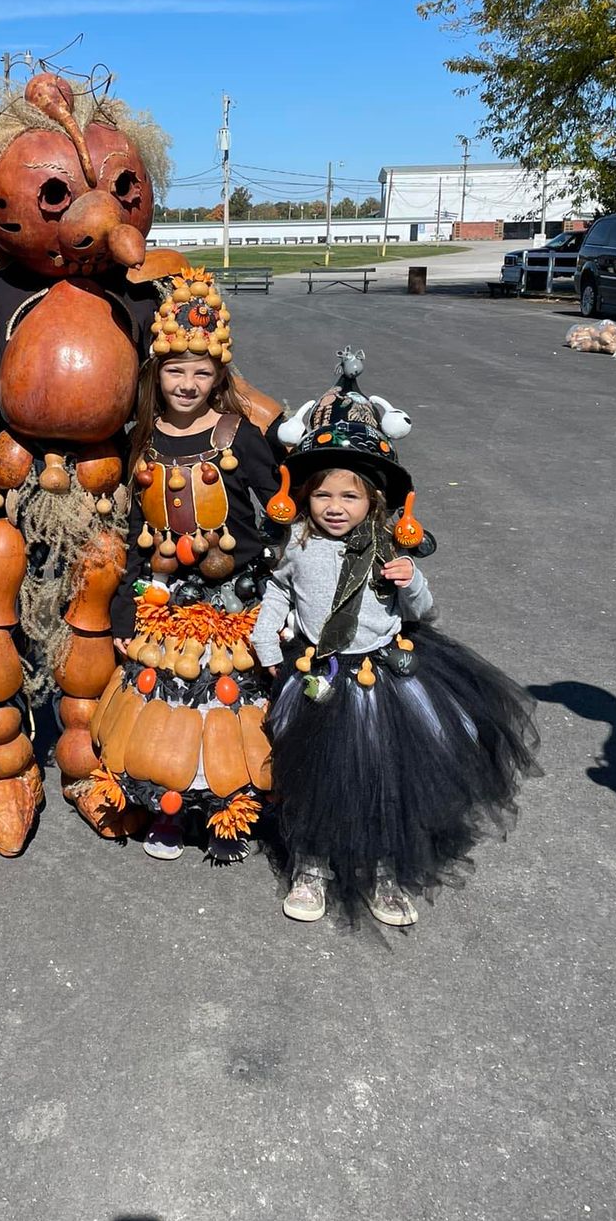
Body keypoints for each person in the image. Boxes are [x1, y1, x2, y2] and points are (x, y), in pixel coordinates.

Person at [251, 348, 540, 927]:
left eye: (350, 496)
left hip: (385, 678)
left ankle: (386, 869)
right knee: (314, 780)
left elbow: (423, 613)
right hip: (319, 676)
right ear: (303, 496)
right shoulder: (299, 548)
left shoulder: (391, 550)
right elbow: (278, 594)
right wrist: (266, 643)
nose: (335, 507)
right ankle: (312, 866)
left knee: (386, 778)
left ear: (374, 501)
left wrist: (412, 582)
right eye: (324, 495)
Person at [90, 265, 287, 864]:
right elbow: (130, 532)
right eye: (176, 370)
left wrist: (278, 581)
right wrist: (124, 609)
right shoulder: (141, 440)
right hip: (163, 602)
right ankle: (169, 811)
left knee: (229, 716)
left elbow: (280, 505)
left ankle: (232, 810)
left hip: (234, 605)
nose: (187, 383)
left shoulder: (238, 435)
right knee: (168, 716)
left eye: (201, 372)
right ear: (158, 372)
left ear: (218, 375)